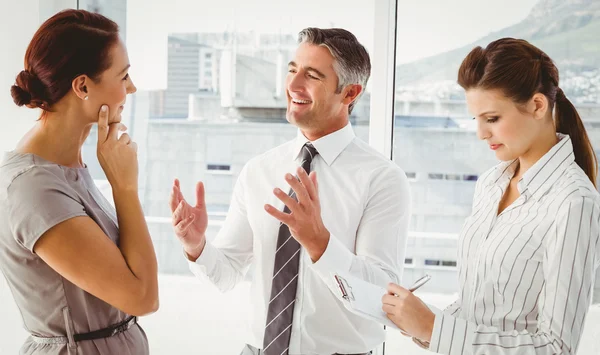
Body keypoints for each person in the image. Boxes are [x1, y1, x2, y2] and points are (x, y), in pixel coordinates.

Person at [170, 28, 411, 355]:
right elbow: (226, 274)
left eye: (312, 76)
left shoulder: (382, 178)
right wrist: (196, 245)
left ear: (350, 93)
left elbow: (379, 296)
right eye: (292, 70)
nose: (293, 85)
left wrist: (319, 242)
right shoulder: (259, 170)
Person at [382, 37, 600, 354]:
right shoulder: (490, 183)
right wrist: (422, 321)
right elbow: (480, 308)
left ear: (538, 106)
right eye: (477, 119)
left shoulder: (573, 200)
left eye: (492, 119)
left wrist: (433, 327)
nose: (481, 134)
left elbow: (556, 348)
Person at [0, 9, 158, 355]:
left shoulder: (70, 166)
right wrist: (125, 188)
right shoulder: (34, 189)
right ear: (83, 86)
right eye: (124, 76)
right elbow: (143, 297)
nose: (131, 87)